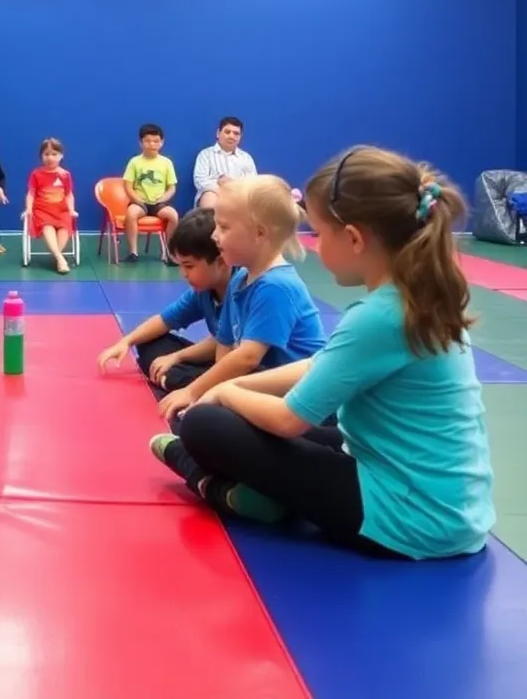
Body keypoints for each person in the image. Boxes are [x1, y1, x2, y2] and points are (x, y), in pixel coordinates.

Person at [151, 147, 495, 561]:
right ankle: (245, 488)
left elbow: (288, 420)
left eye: (318, 233)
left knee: (206, 424)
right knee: (244, 418)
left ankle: (199, 472)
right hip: (450, 507)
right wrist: (236, 382)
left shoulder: (380, 315)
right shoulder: (414, 296)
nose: (313, 244)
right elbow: (321, 364)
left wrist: (222, 394)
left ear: (353, 238)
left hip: (410, 519)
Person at [157, 175, 325, 423]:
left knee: (203, 423)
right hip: (254, 379)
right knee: (199, 407)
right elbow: (224, 347)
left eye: (223, 228)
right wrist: (207, 391)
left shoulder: (276, 286)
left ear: (259, 233)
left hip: (296, 400)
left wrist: (195, 391)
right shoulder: (240, 278)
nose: (214, 236)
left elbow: (247, 357)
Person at [98, 208, 232, 392]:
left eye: (189, 266)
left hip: (246, 369)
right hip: (219, 359)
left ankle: (190, 385)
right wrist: (126, 342)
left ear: (221, 262)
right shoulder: (204, 291)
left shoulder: (242, 290)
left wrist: (177, 357)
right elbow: (164, 320)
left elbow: (229, 347)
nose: (183, 274)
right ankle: (185, 382)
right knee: (148, 341)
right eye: (181, 265)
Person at [122, 122, 178, 262]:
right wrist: (137, 200)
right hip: (139, 202)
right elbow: (128, 186)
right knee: (131, 214)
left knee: (173, 216)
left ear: (162, 142)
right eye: (147, 141)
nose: (152, 144)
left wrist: (163, 198)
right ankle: (133, 252)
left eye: (156, 141)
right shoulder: (134, 162)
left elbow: (172, 187)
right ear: (141, 143)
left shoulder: (166, 163)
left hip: (159, 203)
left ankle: (169, 252)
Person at [24, 137, 77, 274]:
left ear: (61, 156)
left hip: (61, 210)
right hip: (42, 209)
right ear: (41, 156)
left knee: (65, 227)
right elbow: (31, 193)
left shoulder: (65, 175)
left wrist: (71, 210)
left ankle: (57, 256)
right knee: (47, 226)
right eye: (46, 154)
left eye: (54, 154)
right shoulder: (36, 174)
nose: (50, 158)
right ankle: (60, 258)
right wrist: (29, 209)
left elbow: (69, 194)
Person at [193, 116, 257, 209]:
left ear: (240, 137)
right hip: (214, 194)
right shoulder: (205, 155)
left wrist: (231, 185)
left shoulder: (246, 158)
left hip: (238, 197)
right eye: (227, 132)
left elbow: (252, 184)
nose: (231, 136)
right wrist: (221, 189)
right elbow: (200, 181)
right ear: (218, 133)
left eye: (236, 133)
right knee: (209, 196)